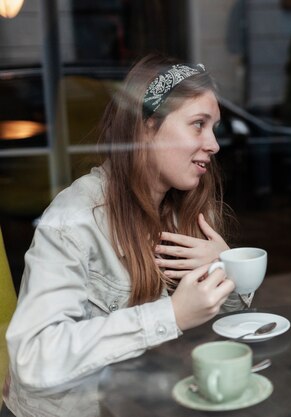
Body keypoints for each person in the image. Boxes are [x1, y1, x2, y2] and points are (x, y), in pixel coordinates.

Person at [3, 54, 249, 415]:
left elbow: (226, 325)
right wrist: (171, 315)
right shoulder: (74, 217)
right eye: (198, 124)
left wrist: (226, 268)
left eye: (214, 127)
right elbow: (35, 357)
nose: (213, 144)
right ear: (147, 127)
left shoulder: (191, 207)